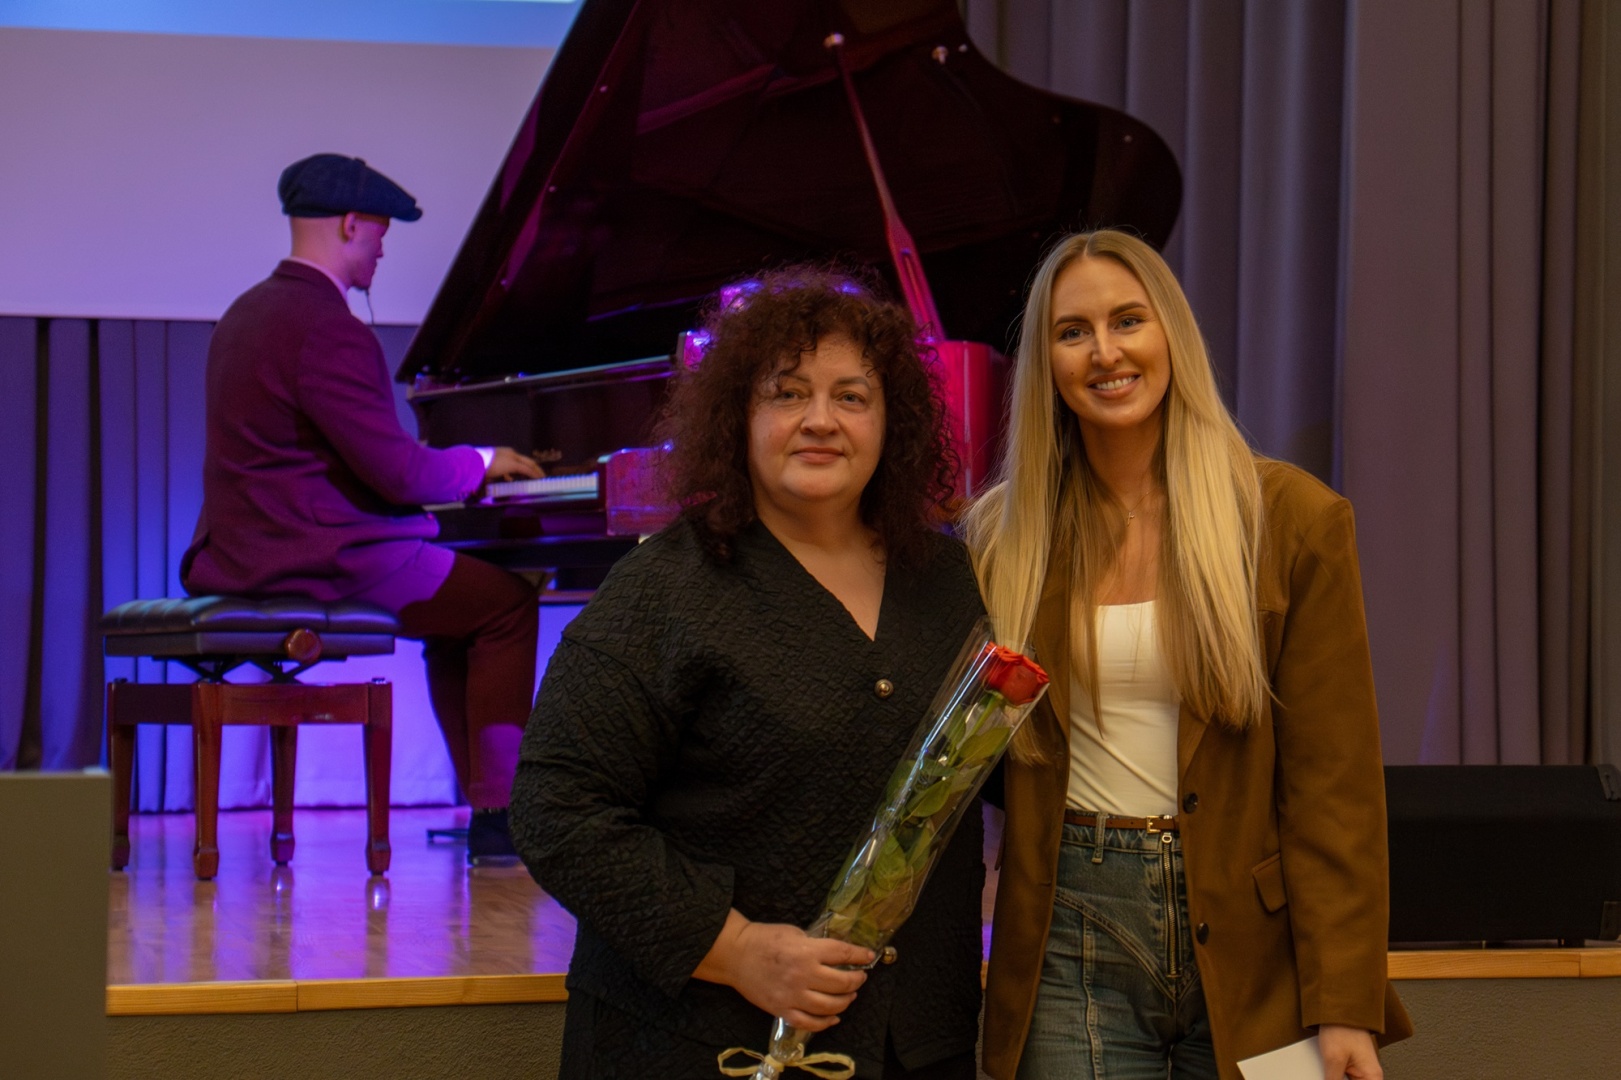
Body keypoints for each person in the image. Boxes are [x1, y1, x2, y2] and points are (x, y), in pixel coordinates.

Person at [510, 269, 987, 1078]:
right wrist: (732, 948)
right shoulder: (663, 588)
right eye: (787, 393)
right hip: (693, 1047)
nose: (819, 420)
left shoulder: (951, 582)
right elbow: (555, 810)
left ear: (892, 421)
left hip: (914, 1047)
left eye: (851, 397)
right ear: (738, 415)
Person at [961, 230, 1414, 1080]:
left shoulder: (1290, 519)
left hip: (1257, 938)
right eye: (1072, 332)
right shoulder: (1000, 537)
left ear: (1171, 333)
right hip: (1070, 927)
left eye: (1127, 321)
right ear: (1045, 364)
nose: (1104, 352)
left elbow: (1335, 788)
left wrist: (1346, 1000)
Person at [181, 153, 545, 863]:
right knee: (505, 606)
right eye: (381, 232)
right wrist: (478, 462)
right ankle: (504, 814)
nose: (382, 248)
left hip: (240, 556)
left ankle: (491, 809)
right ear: (351, 224)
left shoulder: (243, 313)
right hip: (321, 560)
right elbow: (398, 471)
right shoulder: (327, 325)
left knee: (458, 620)